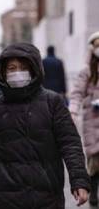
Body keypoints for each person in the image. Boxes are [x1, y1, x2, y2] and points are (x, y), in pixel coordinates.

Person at [0, 43, 90, 209]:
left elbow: (70, 144)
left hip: (45, 196)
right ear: (3, 72)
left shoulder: (52, 102)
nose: (17, 72)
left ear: (34, 69)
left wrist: (79, 180)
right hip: (4, 196)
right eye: (11, 68)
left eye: (23, 67)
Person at [69, 31, 99, 206]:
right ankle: (93, 190)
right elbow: (76, 93)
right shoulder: (86, 71)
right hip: (91, 120)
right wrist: (73, 111)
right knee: (94, 160)